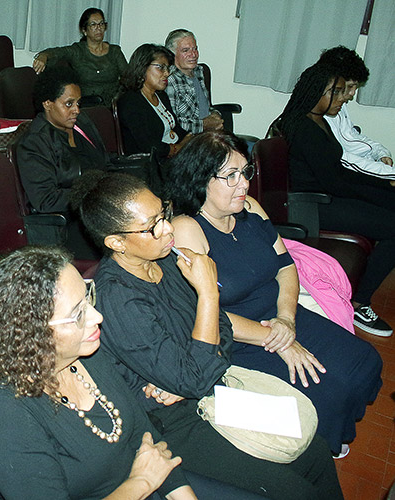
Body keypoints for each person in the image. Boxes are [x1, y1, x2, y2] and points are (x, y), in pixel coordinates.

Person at [71, 171, 343, 499]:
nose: (168, 229)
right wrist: (208, 295)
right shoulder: (119, 299)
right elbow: (195, 373)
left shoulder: (169, 261)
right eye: (151, 226)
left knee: (316, 453)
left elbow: (223, 334)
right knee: (294, 492)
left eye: (164, 214)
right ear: (116, 242)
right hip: (170, 420)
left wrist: (191, 367)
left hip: (210, 389)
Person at [164, 130, 383, 457]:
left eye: (245, 172)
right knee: (325, 392)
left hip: (283, 316)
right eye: (231, 176)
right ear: (199, 181)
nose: (244, 184)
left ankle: (334, 435)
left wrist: (286, 318)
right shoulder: (187, 229)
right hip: (238, 338)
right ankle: (320, 449)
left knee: (363, 361)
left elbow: (286, 267)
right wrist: (276, 339)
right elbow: (200, 312)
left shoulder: (249, 208)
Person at [0, 246, 196, 500]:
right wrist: (141, 482)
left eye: (88, 298)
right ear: (31, 332)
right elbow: (148, 471)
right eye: (77, 314)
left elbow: (145, 437)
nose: (97, 317)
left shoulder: (83, 352)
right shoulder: (1, 415)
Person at [277, 63, 395, 336]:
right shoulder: (303, 127)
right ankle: (359, 303)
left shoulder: (317, 120)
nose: (344, 98)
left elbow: (338, 172)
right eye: (338, 92)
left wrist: (382, 185)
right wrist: (378, 189)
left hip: (326, 196)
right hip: (312, 206)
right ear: (319, 92)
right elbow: (335, 182)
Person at [16, 66, 109, 259]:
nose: (76, 110)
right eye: (69, 104)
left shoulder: (81, 124)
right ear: (48, 103)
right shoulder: (34, 143)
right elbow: (45, 200)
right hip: (69, 225)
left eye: (78, 103)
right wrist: (92, 196)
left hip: (97, 212)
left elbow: (104, 163)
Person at [317, 46, 394, 181]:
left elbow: (353, 138)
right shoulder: (318, 114)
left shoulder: (339, 107)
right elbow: (341, 158)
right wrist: (387, 172)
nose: (353, 93)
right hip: (342, 176)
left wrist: (380, 153)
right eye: (351, 86)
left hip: (357, 169)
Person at [31, 7, 128, 107]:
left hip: (113, 106)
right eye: (93, 24)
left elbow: (129, 77)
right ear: (84, 30)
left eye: (101, 23)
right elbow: (57, 52)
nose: (98, 28)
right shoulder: (77, 51)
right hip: (86, 106)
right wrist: (43, 56)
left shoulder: (115, 51)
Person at [117, 43, 192, 163]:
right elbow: (149, 146)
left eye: (168, 68)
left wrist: (189, 139)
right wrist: (177, 149)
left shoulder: (161, 95)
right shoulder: (130, 102)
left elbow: (177, 129)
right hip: (152, 165)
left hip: (174, 157)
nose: (167, 73)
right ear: (142, 68)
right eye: (161, 67)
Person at [164, 29, 224, 134]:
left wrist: (216, 115)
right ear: (172, 54)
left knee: (251, 146)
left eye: (195, 49)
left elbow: (203, 108)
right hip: (189, 140)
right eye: (185, 50)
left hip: (209, 135)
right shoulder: (170, 80)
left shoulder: (199, 72)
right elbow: (173, 123)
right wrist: (204, 125)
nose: (193, 54)